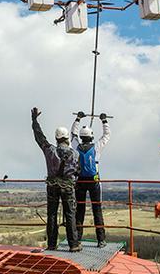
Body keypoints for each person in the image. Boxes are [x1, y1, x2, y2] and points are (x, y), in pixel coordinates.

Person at [31, 107, 82, 252]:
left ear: (57, 138)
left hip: (52, 186)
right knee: (70, 214)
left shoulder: (49, 150)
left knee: (52, 214)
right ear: (66, 138)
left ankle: (52, 244)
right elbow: (78, 171)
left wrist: (34, 121)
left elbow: (39, 137)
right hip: (68, 187)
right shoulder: (74, 154)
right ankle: (73, 244)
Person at [71, 112, 111, 248]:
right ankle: (101, 240)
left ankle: (78, 239)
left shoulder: (76, 146)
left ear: (82, 137)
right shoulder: (97, 147)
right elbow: (106, 135)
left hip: (80, 181)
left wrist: (78, 119)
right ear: (91, 136)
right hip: (94, 182)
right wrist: (104, 120)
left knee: (79, 210)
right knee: (97, 209)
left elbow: (72, 134)